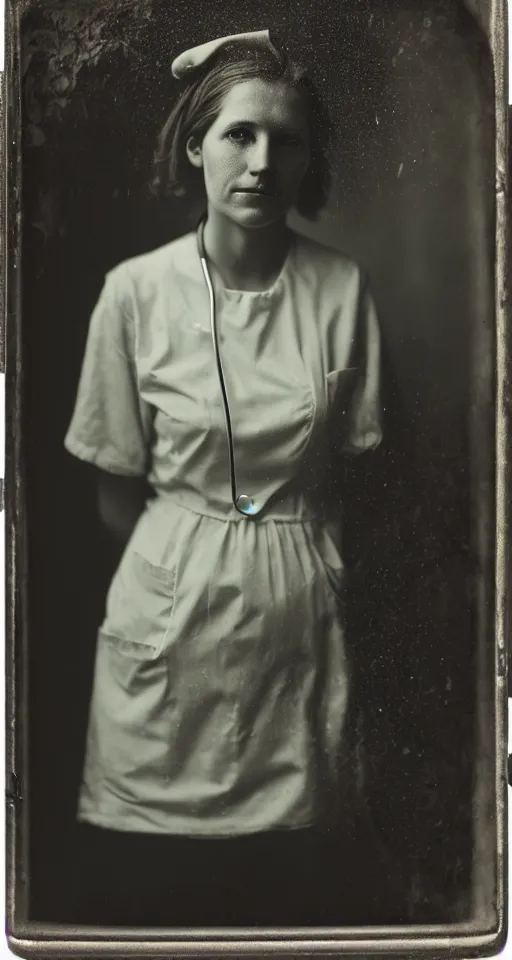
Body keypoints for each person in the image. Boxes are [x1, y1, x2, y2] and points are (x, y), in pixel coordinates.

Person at [64, 29, 408, 927]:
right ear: (195, 146)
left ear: (308, 160)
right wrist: (195, 563)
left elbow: (370, 478)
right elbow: (112, 494)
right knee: (158, 897)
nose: (261, 162)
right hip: (168, 627)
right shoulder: (134, 294)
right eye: (238, 136)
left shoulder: (341, 292)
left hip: (300, 631)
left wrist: (294, 566)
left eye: (285, 141)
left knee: (292, 889)